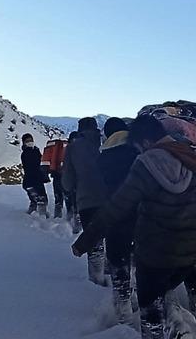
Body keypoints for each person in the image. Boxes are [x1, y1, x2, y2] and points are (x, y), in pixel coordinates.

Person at [72, 115, 196, 338]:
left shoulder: (146, 164)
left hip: (154, 254)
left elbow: (118, 207)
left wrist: (86, 241)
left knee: (152, 312)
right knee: (169, 292)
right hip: (189, 252)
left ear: (144, 142)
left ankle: (173, 330)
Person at [97, 117, 140, 324]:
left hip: (114, 215)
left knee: (118, 260)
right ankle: (140, 296)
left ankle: (124, 309)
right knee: (139, 260)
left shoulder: (102, 157)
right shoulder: (138, 153)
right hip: (139, 215)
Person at [63, 117, 109, 286]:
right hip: (111, 198)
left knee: (94, 239)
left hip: (86, 199)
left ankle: (97, 280)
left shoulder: (74, 147)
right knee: (112, 236)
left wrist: (70, 189)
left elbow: (67, 179)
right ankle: (115, 272)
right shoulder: (106, 142)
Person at [20, 133, 48, 217]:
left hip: (37, 178)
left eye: (31, 140)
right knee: (38, 197)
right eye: (27, 141)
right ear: (24, 142)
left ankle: (40, 212)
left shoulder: (36, 150)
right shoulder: (25, 153)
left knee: (41, 197)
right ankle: (39, 214)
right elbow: (31, 166)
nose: (30, 142)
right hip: (31, 179)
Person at [42, 138, 71, 218]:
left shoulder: (51, 146)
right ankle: (70, 215)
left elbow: (45, 160)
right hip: (65, 175)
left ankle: (58, 215)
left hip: (55, 173)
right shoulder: (68, 146)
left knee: (58, 196)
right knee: (68, 196)